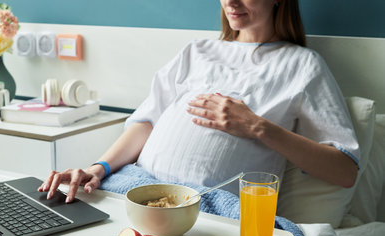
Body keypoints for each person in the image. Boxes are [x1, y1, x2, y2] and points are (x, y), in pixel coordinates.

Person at [39, 0, 359, 203]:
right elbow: (146, 123)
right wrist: (98, 167)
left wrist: (258, 128)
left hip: (211, 206)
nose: (230, 2)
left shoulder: (302, 65)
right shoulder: (198, 51)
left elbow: (345, 172)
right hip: (136, 189)